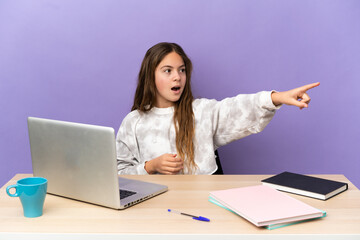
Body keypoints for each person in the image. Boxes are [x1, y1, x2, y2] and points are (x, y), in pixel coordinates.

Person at [116, 42, 320, 175]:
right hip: (155, 210)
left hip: (202, 205)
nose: (177, 77)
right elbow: (118, 172)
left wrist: (277, 98)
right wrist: (150, 167)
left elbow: (239, 108)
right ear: (150, 76)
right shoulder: (134, 121)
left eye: (182, 70)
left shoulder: (202, 112)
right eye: (167, 71)